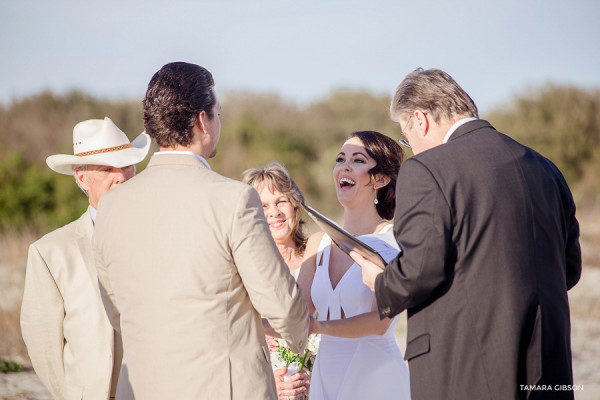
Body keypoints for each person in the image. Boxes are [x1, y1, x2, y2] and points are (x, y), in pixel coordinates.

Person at [353, 68, 582, 400]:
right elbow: (570, 269)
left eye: (405, 136)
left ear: (420, 119)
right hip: (548, 363)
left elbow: (419, 270)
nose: (411, 147)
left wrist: (381, 281)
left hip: (466, 367)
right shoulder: (546, 168)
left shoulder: (427, 168)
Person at [93, 62, 309, 400]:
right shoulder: (234, 199)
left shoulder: (110, 206)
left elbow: (115, 309)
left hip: (141, 387)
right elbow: (280, 303)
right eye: (217, 113)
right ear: (202, 120)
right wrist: (301, 341)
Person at [20, 117, 150, 400]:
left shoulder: (162, 235)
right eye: (107, 169)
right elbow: (45, 348)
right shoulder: (49, 253)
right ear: (82, 177)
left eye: (127, 165)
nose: (121, 177)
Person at [297, 131, 411, 400]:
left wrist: (318, 328)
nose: (344, 167)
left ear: (380, 179)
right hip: (326, 378)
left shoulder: (393, 240)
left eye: (358, 160)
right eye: (340, 159)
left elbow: (380, 321)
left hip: (376, 378)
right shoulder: (317, 243)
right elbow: (294, 314)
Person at [242, 162, 311, 400]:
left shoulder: (322, 257)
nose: (274, 213)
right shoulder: (241, 270)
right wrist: (269, 385)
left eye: (281, 201)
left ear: (295, 205)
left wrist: (322, 375)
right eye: (263, 206)